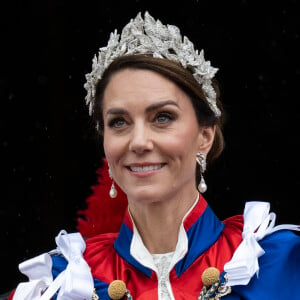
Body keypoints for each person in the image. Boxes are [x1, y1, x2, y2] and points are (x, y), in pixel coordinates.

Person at [9, 11, 300, 300]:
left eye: (162, 117)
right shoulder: (62, 283)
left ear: (205, 136)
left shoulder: (279, 263)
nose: (138, 142)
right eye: (119, 122)